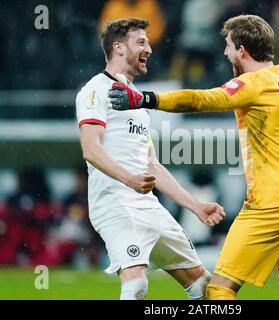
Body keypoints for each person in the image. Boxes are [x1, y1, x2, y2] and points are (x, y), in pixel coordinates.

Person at [108, 14, 279, 300]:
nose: (225, 52)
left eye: (229, 46)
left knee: (219, 290)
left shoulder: (253, 84)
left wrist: (145, 99)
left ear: (242, 50)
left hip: (270, 203)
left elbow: (202, 99)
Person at [76, 18, 226, 300]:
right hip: (114, 202)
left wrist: (196, 206)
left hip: (147, 204)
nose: (149, 49)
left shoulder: (137, 102)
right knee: (136, 286)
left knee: (203, 286)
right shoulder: (95, 89)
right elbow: (91, 149)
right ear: (119, 48)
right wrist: (129, 179)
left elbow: (152, 166)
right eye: (141, 42)